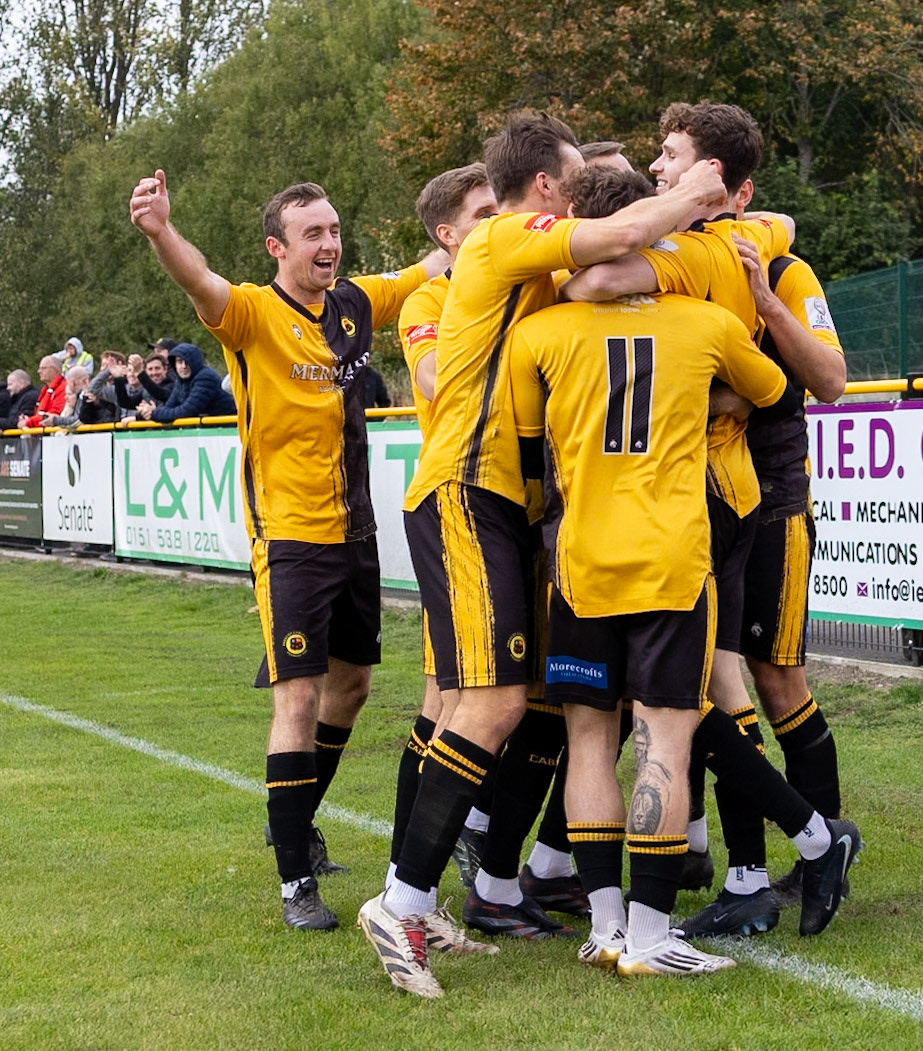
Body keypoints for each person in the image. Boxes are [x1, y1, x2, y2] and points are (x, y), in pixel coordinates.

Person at [358, 109, 728, 999]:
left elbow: (614, 268)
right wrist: (693, 191)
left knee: (486, 703)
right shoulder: (500, 239)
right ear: (544, 188)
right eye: (568, 173)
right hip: (465, 489)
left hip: (502, 502)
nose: (572, 187)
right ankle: (400, 899)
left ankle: (433, 898)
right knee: (485, 702)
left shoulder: (536, 262)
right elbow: (630, 228)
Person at [511, 159, 845, 977]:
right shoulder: (703, 324)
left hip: (581, 557)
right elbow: (769, 393)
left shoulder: (542, 330)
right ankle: (657, 938)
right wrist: (698, 399)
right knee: (665, 735)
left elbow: (529, 435)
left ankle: (605, 927)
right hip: (673, 557)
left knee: (590, 739)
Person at [129, 169, 447, 932]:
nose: (330, 244)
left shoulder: (357, 303)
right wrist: (160, 230)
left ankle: (295, 821)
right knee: (297, 698)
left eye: (335, 230)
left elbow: (433, 267)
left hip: (358, 532)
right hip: (292, 538)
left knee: (353, 687)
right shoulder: (249, 313)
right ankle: (293, 881)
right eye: (314, 234)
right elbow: (199, 280)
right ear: (278, 247)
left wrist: (497, 222)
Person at [391, 161, 577, 938]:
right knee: (452, 703)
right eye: (480, 214)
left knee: (534, 703)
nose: (497, 223)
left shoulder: (531, 277)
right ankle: (407, 886)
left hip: (524, 512)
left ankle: (489, 882)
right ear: (449, 234)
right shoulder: (434, 299)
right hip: (461, 503)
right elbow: (436, 378)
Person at [140, 343, 236, 422]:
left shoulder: (205, 377)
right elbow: (169, 406)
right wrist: (147, 414)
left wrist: (154, 414)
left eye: (187, 362)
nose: (183, 366)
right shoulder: (180, 380)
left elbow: (187, 411)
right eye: (179, 362)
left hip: (228, 429)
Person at [23, 356, 67, 428]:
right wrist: (27, 419)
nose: (39, 371)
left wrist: (28, 422)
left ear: (54, 370)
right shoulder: (45, 390)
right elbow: (39, 413)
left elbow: (54, 414)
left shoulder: (64, 387)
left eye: (43, 368)